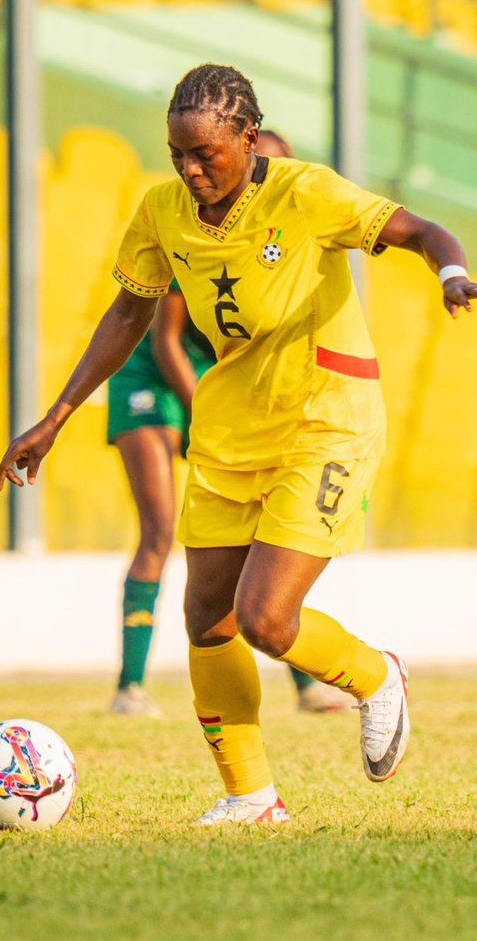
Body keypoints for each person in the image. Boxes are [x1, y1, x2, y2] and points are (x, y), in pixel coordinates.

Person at [0, 63, 477, 825]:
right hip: (231, 421)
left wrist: (451, 273)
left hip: (325, 414)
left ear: (247, 136)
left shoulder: (304, 192)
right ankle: (250, 798)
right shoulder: (163, 212)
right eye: (177, 154)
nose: (191, 170)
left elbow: (421, 231)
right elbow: (129, 316)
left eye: (207, 154)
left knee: (265, 619)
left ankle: (375, 675)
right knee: (207, 617)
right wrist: (55, 418)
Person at [105, 129, 355, 718]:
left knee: (257, 543)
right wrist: (218, 419)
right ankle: (130, 685)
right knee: (161, 530)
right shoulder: (196, 227)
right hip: (150, 374)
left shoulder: (289, 229)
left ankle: (301, 685)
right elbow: (166, 340)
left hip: (212, 378)